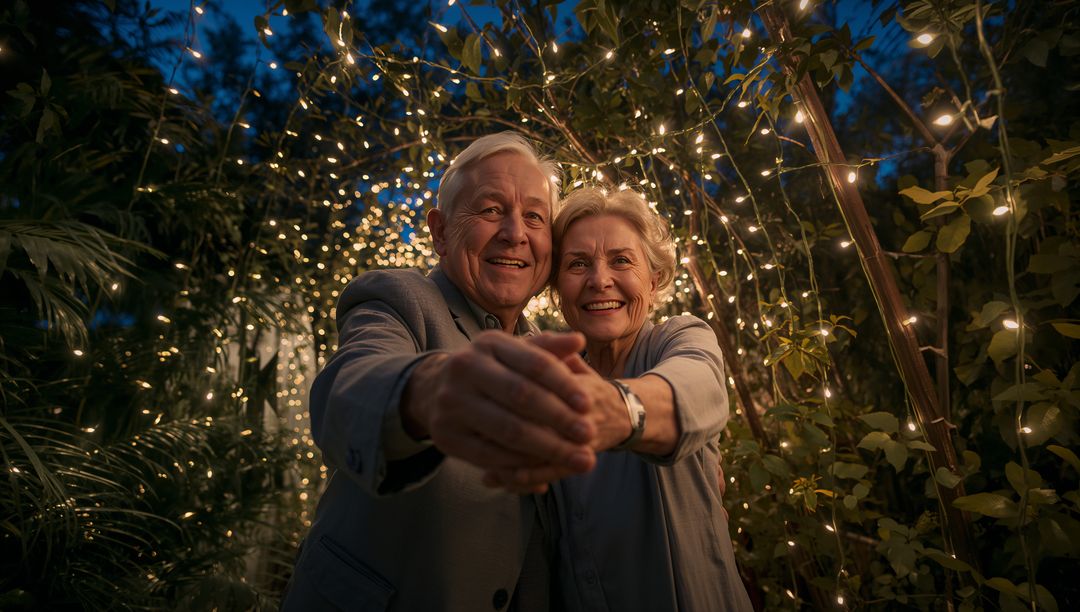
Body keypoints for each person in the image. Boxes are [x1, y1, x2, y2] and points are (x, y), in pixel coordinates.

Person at [544, 187, 753, 610]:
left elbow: (697, 389)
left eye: (621, 260)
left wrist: (616, 410)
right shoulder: (551, 371)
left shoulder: (679, 337)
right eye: (578, 263)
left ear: (654, 280)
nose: (599, 279)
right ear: (556, 288)